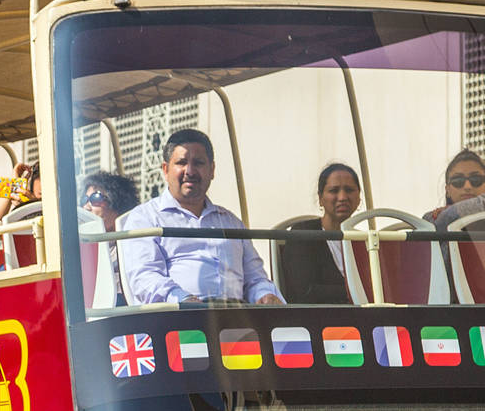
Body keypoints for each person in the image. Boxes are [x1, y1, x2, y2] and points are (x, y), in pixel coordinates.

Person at [117, 128, 283, 305]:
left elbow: (256, 279)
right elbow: (145, 278)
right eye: (181, 163)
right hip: (177, 319)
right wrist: (183, 300)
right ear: (165, 170)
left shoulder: (230, 222)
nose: (190, 171)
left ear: (212, 170)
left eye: (198, 163)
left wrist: (264, 295)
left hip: (237, 318)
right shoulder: (145, 218)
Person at [279, 162, 362, 304]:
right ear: (321, 198)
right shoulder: (304, 234)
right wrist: (355, 292)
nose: (342, 197)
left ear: (359, 196)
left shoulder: (363, 240)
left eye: (349, 190)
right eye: (334, 191)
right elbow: (304, 291)